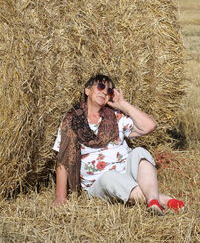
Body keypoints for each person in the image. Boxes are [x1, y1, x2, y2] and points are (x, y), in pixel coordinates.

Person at [53, 74, 184, 215]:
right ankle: (165, 200)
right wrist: (60, 197)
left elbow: (150, 126)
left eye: (109, 90)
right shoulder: (72, 121)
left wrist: (123, 104)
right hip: (98, 184)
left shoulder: (116, 117)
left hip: (126, 173)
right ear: (87, 90)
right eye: (101, 86)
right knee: (109, 177)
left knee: (140, 151)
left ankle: (153, 201)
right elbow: (63, 160)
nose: (104, 91)